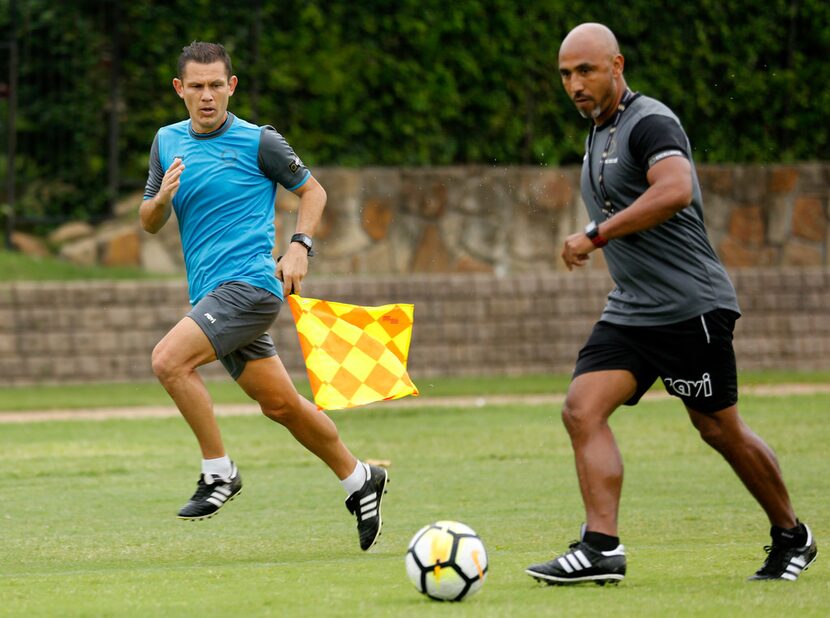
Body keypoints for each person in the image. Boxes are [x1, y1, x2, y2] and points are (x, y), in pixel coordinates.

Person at [525, 23, 817, 584]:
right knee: (581, 409)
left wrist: (595, 234)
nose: (574, 84)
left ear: (617, 65)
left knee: (718, 429)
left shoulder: (649, 121)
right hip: (633, 309)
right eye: (565, 74)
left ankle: (792, 535)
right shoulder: (597, 133)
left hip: (691, 309)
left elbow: (676, 188)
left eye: (585, 70)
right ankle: (600, 547)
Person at [140, 41, 387, 551]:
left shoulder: (260, 142)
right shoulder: (166, 142)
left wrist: (299, 247)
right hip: (211, 294)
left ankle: (218, 472)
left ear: (231, 87)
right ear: (179, 89)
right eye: (196, 87)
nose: (206, 97)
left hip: (251, 287)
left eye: (216, 86)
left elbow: (313, 192)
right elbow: (148, 221)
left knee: (168, 361)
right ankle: (359, 478)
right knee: (281, 405)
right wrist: (162, 197)